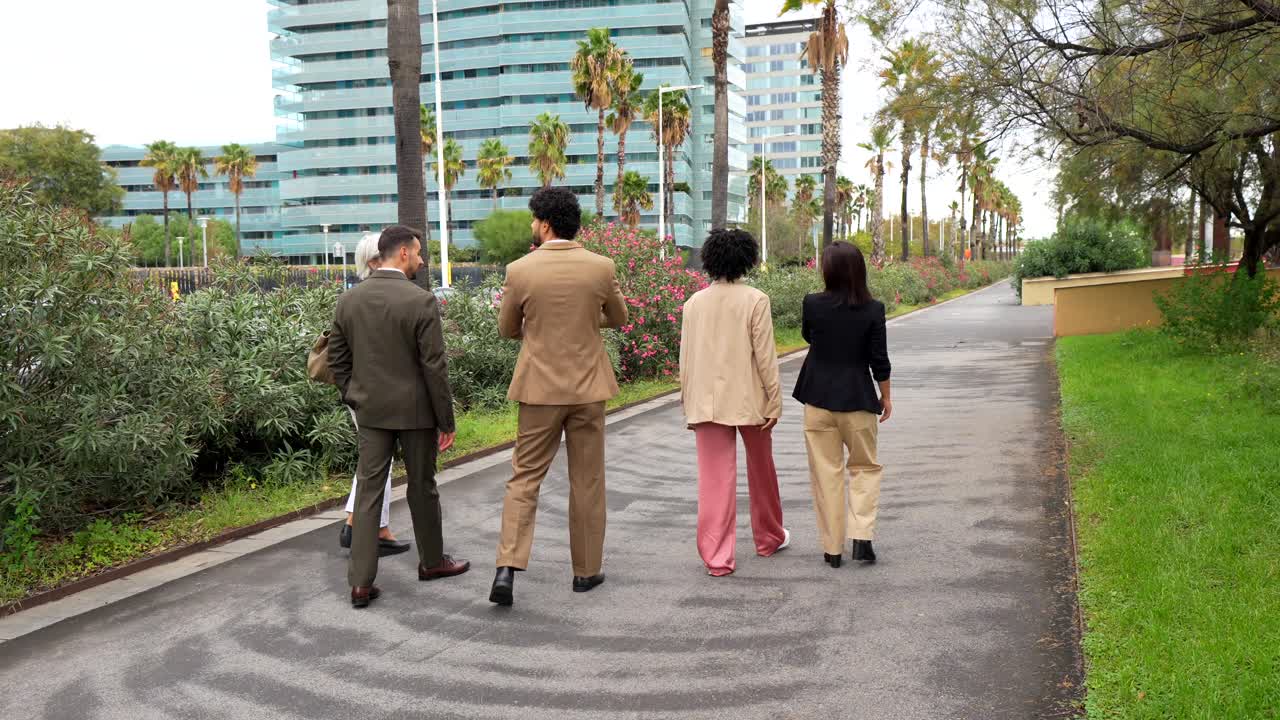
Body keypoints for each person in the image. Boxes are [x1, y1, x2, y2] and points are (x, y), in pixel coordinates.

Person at [488, 187, 629, 606]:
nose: (532, 226)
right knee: (587, 480)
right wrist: (587, 322)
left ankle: (507, 568)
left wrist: (536, 329)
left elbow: (507, 329)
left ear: (545, 224)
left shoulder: (520, 270)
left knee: (525, 477)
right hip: (588, 390)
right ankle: (585, 571)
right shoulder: (601, 267)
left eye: (534, 220)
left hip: (539, 389)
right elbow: (619, 318)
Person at [328, 225, 470, 608]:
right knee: (422, 487)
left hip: (371, 411)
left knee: (369, 490)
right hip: (418, 414)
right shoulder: (421, 301)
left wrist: (354, 396)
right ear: (403, 253)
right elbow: (434, 368)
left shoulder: (349, 300)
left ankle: (360, 582)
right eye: (420, 252)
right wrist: (446, 420)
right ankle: (432, 562)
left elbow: (337, 361)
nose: (422, 260)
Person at [679, 228, 790, 577]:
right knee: (762, 471)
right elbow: (765, 357)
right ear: (748, 260)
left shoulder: (693, 303)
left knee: (714, 479)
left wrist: (688, 402)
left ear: (709, 261)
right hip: (750, 399)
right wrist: (775, 399)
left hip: (706, 403)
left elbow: (686, 359)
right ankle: (769, 537)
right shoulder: (755, 299)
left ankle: (717, 557)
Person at [792, 242, 892, 569]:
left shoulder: (812, 304)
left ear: (828, 270)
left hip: (817, 399)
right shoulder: (873, 309)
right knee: (864, 468)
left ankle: (832, 549)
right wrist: (886, 397)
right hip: (858, 400)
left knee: (826, 474)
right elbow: (879, 360)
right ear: (859, 270)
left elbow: (810, 337)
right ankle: (862, 537)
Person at [336, 231, 410, 557]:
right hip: (372, 393)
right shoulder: (371, 298)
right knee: (376, 459)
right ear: (374, 261)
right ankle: (361, 527)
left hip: (361, 391)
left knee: (376, 458)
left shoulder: (357, 297)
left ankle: (366, 526)